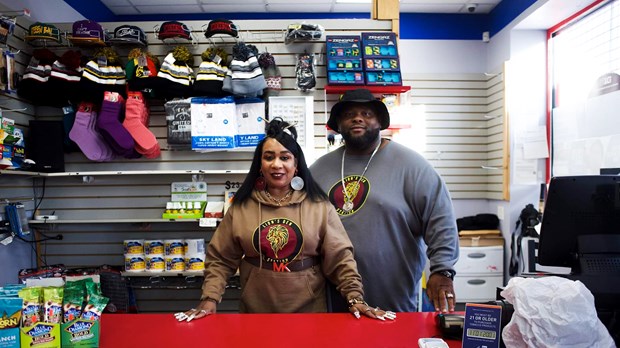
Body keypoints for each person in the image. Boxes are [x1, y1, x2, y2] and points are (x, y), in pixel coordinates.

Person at [175, 118, 396, 322]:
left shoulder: (318, 206)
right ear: (260, 165)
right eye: (269, 157)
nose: (277, 164)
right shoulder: (242, 207)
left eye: (285, 157)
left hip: (310, 311)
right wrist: (209, 298)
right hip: (256, 311)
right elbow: (221, 259)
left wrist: (354, 297)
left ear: (296, 164)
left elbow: (340, 258)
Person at [310, 89, 459, 313]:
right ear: (338, 125)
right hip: (334, 294)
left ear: (380, 122)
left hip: (395, 294)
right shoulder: (318, 169)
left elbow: (441, 220)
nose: (357, 118)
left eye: (367, 114)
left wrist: (442, 270)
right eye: (349, 114)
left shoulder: (413, 166)